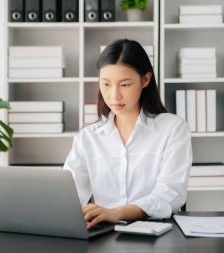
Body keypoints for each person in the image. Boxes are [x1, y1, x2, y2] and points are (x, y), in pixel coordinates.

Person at [63, 39, 192, 229]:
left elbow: (169, 195)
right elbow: (69, 194)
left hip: (157, 233)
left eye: (124, 85)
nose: (114, 96)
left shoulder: (172, 128)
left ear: (145, 80)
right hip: (103, 234)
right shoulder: (88, 137)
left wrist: (116, 213)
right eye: (106, 84)